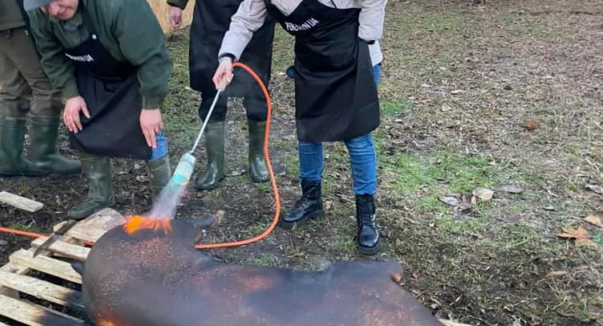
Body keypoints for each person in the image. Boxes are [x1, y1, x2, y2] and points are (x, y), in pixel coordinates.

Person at [213, 0, 387, 255]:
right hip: (313, 62)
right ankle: (311, 200)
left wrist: (366, 37)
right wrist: (227, 57)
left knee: (357, 138)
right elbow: (244, 21)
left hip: (355, 59)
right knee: (308, 133)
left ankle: (366, 214)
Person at [22, 0, 174, 219]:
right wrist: (70, 94)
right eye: (46, 6)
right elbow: (51, 55)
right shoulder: (41, 13)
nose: (54, 11)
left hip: (135, 71)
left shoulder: (117, 5)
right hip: (91, 72)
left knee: (150, 132)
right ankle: (100, 196)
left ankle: (164, 205)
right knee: (79, 121)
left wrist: (150, 105)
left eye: (56, 0)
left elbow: (154, 57)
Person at [167, 0, 275, 190]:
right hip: (212, 16)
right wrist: (177, 3)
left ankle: (257, 158)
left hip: (255, 13)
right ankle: (214, 165)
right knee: (211, 87)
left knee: (257, 89)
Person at [0, 0, 81, 178]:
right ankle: (44, 157)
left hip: (6, 20)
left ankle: (9, 160)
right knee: (46, 87)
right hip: (15, 19)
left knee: (14, 89)